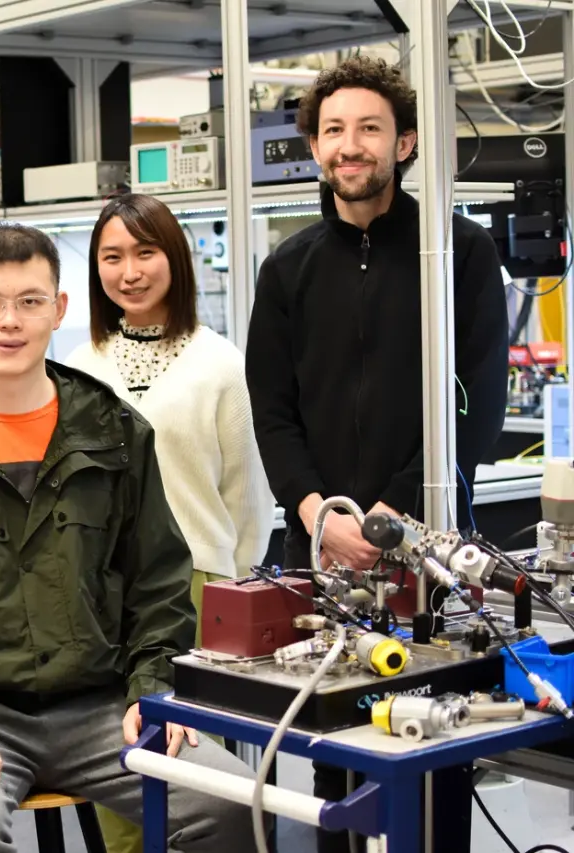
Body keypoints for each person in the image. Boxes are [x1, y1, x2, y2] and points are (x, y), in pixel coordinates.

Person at [0, 222, 255, 853]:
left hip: (104, 706)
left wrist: (154, 690)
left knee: (229, 803)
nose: (10, 321)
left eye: (30, 301)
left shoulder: (113, 431)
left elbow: (158, 580)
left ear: (59, 309)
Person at [245, 56, 508, 853]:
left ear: (404, 144)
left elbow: (479, 402)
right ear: (316, 147)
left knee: (435, 749)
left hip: (427, 552)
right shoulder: (288, 268)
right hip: (321, 548)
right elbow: (273, 410)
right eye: (333, 131)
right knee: (336, 760)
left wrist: (399, 510)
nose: (348, 145)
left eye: (368, 128)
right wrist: (317, 510)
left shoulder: (456, 251)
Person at [66, 193, 275, 853]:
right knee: (122, 758)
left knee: (194, 769)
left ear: (174, 258)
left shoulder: (220, 363)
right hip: (100, 596)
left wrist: (231, 590)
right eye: (113, 256)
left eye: (145, 251)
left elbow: (248, 492)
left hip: (198, 587)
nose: (130, 270)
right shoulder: (76, 366)